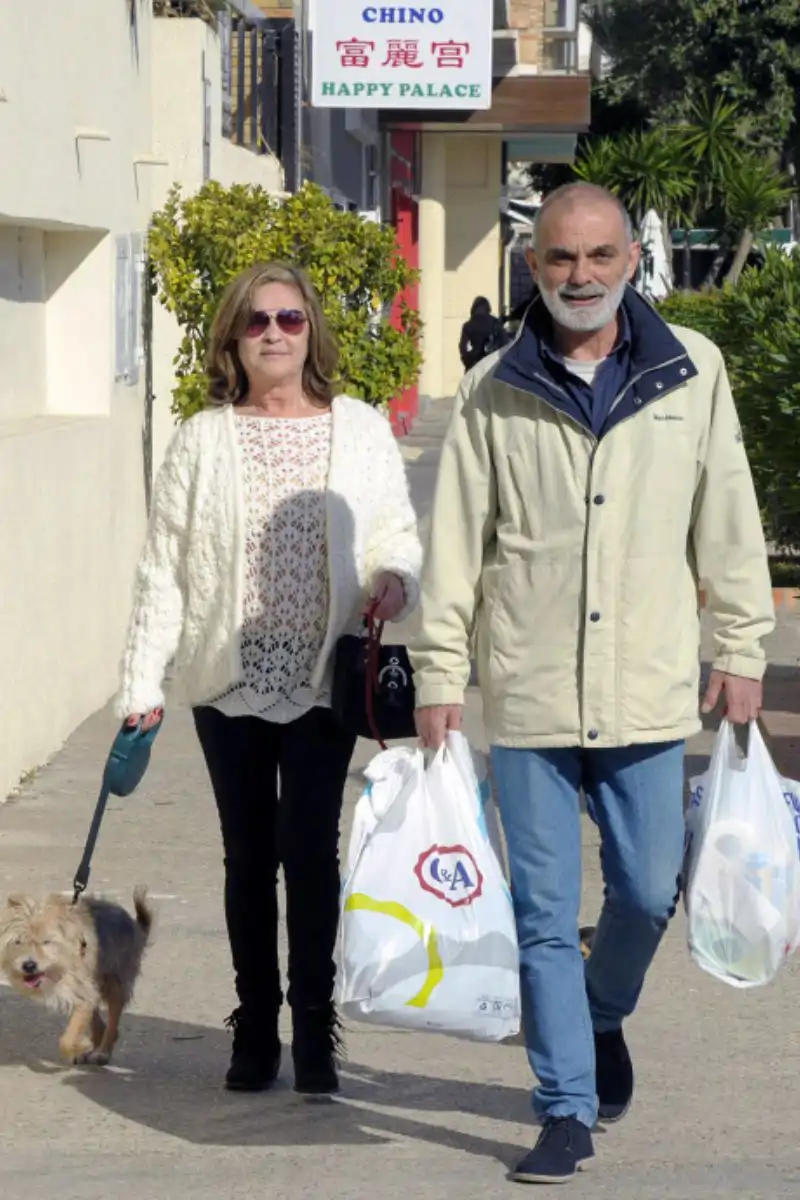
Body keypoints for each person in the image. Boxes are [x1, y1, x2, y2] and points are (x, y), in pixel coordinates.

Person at [410, 182, 774, 1184]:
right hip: (525, 689)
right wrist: (439, 671)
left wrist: (740, 646)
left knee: (649, 893)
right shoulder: (493, 387)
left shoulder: (689, 372)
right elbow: (454, 546)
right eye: (560, 259)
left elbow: (727, 519)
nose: (580, 276)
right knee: (538, 908)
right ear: (533, 269)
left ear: (628, 262)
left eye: (599, 257)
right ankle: (563, 1106)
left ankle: (597, 1011)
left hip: (648, 685)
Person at [116, 262, 422, 1097]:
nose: (276, 335)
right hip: (230, 679)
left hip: (325, 675)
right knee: (248, 855)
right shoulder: (202, 437)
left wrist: (395, 575)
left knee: (309, 851)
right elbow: (164, 570)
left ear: (311, 331)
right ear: (235, 339)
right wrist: (143, 682)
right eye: (258, 323)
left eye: (290, 319)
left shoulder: (356, 428)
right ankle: (255, 1026)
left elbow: (395, 526)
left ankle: (315, 1026)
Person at [459, 296, 508, 371]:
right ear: (488, 308)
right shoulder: (494, 322)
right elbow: (504, 342)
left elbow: (462, 347)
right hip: (491, 363)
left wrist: (467, 360)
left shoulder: (468, 325)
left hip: (474, 364)